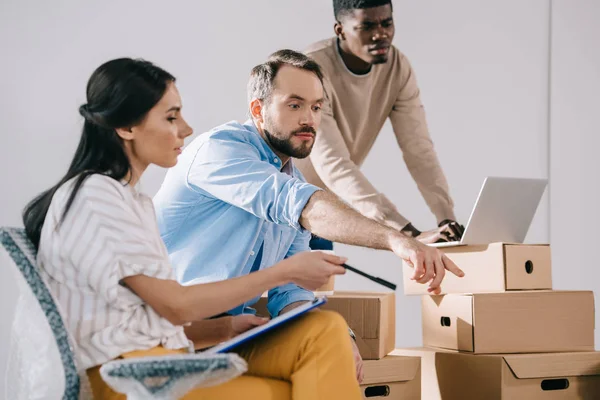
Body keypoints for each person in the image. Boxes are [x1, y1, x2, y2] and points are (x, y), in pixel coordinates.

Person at [22, 58, 363, 400]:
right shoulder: (96, 196)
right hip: (130, 378)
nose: (186, 128)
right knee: (289, 387)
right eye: (171, 117)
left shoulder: (133, 202)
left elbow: (149, 322)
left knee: (326, 331)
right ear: (127, 127)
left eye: (317, 107)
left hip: (165, 361)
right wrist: (281, 273)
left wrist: (224, 327)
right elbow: (176, 307)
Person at [153, 49, 465, 383]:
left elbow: (290, 291)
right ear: (258, 110)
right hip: (173, 329)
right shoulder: (220, 151)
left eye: (317, 107)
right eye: (295, 105)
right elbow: (297, 204)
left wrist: (337, 336)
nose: (310, 119)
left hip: (229, 334)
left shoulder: (292, 179)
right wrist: (397, 240)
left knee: (332, 335)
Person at [295, 0, 464, 251]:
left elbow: (419, 149)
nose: (380, 34)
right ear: (340, 29)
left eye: (387, 23)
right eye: (367, 26)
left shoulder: (398, 68)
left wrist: (447, 218)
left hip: (324, 205)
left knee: (314, 291)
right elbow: (333, 163)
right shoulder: (311, 70)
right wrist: (406, 233)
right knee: (264, 288)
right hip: (282, 201)